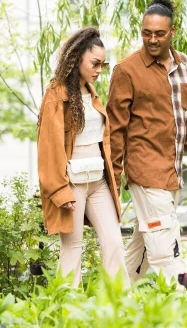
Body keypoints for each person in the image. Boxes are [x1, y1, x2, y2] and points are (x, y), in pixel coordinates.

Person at [107, 0, 187, 283]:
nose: (152, 40)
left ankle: (112, 299)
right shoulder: (127, 70)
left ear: (172, 32)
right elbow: (115, 130)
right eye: (146, 33)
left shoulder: (186, 66)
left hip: (172, 172)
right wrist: (112, 182)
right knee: (165, 249)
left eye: (160, 34)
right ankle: (182, 304)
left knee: (141, 247)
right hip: (145, 171)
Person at [36, 27, 128, 288]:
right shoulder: (56, 95)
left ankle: (119, 303)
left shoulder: (92, 92)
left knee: (114, 242)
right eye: (95, 63)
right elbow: (49, 148)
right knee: (72, 249)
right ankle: (67, 305)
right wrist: (59, 191)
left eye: (103, 65)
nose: (99, 70)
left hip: (98, 180)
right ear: (77, 59)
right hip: (71, 184)